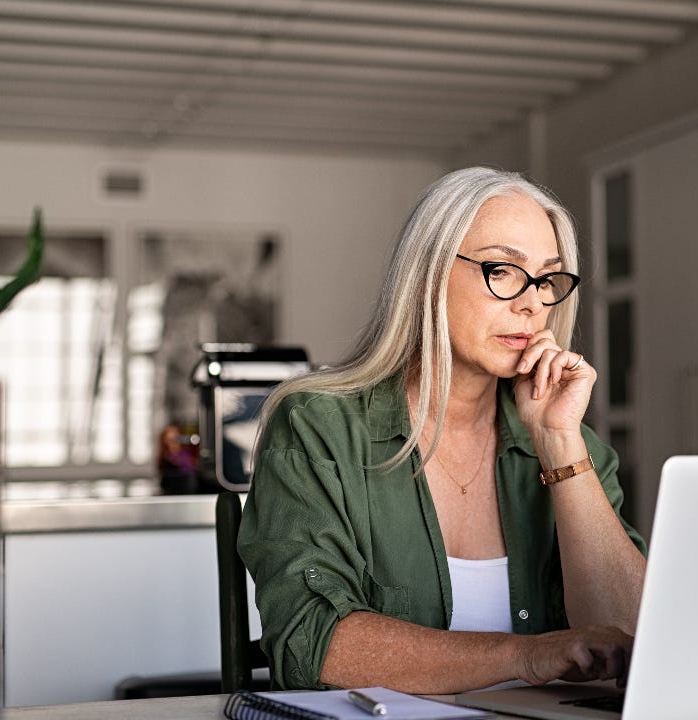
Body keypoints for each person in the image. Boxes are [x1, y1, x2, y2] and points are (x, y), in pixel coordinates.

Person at [238, 167, 647, 694]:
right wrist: (527, 655)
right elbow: (311, 645)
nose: (533, 303)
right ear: (428, 273)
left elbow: (637, 640)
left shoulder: (572, 446)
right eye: (502, 270)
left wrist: (559, 445)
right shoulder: (319, 428)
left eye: (547, 279)